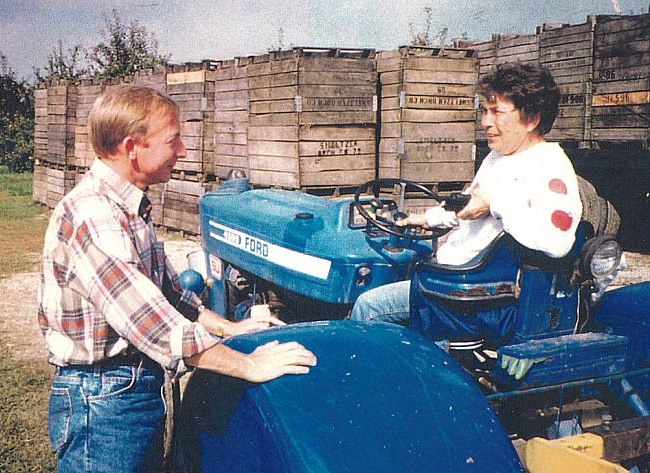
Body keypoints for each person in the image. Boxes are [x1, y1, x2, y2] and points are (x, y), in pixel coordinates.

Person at [37, 85, 317, 473]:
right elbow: (155, 324)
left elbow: (169, 294)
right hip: (104, 400)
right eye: (173, 140)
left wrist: (229, 327)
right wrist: (249, 365)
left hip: (130, 388)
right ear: (132, 147)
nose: (183, 150)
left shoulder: (130, 205)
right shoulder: (96, 216)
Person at [351, 63, 582, 344]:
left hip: (466, 298)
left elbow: (556, 242)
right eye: (484, 111)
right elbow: (469, 207)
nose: (485, 122)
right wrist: (425, 219)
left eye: (497, 112)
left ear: (532, 118)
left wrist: (495, 203)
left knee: (368, 305)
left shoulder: (550, 166)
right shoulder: (498, 157)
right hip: (455, 281)